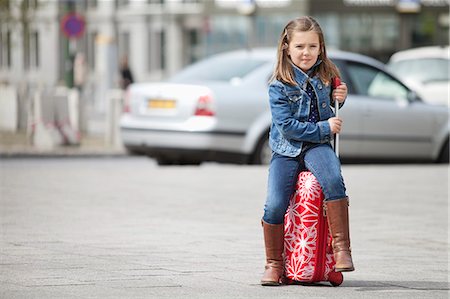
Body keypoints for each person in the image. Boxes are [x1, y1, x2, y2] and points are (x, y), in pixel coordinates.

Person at [261, 16, 354, 286]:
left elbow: (330, 108)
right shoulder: (278, 85)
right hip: (287, 150)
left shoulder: (327, 76)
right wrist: (325, 128)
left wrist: (341, 98)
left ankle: (341, 248)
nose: (306, 53)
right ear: (286, 47)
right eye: (300, 46)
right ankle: (274, 263)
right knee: (275, 203)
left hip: (317, 148)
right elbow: (288, 128)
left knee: (334, 180)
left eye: (313, 47)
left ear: (321, 48)